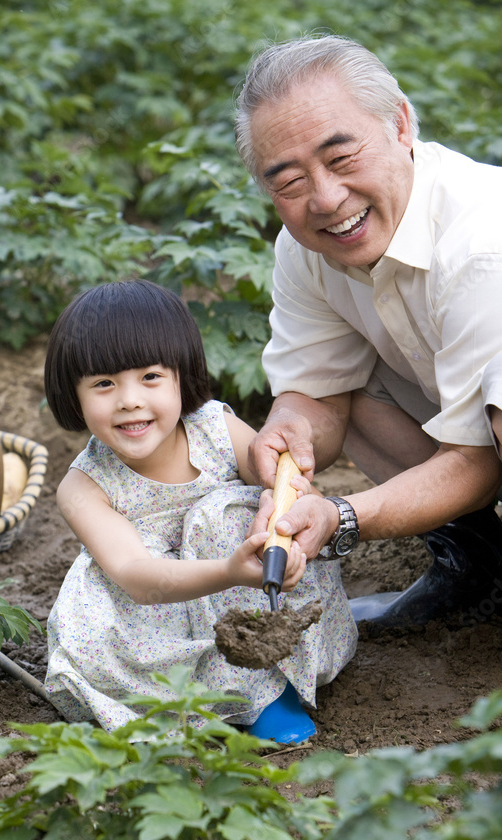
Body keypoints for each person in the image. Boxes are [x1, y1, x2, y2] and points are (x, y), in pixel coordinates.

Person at [234, 34, 502, 631]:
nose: (327, 200)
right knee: (344, 386)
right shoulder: (304, 252)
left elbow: (478, 461)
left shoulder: (482, 242)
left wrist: (341, 516)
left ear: (400, 124)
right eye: (289, 183)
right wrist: (290, 438)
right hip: (473, 441)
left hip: (489, 444)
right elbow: (318, 392)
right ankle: (476, 563)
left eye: (341, 157)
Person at [42, 279, 357, 737]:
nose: (130, 399)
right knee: (91, 620)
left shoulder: (215, 428)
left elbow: (283, 481)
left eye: (150, 377)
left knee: (222, 515)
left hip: (252, 591)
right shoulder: (83, 486)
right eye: (104, 384)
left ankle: (270, 692)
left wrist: (279, 502)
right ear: (74, 396)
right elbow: (134, 574)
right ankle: (191, 704)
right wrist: (227, 570)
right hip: (160, 607)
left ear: (180, 376)